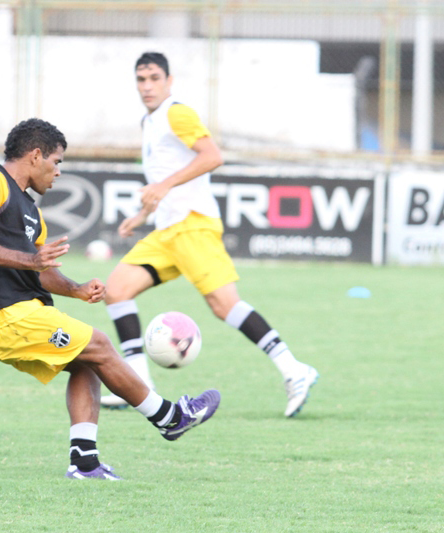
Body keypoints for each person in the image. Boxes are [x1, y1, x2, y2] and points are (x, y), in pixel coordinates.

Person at [0, 118, 220, 480]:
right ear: (35, 156)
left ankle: (85, 463)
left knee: (86, 362)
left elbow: (43, 272)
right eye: (57, 161)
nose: (58, 171)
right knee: (98, 343)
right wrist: (31, 260)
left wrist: (76, 289)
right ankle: (169, 418)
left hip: (18, 312)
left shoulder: (31, 212)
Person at [99, 52, 319, 417]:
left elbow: (212, 156)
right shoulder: (148, 121)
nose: (147, 86)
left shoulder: (176, 113)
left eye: (154, 78)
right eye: (141, 79)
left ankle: (294, 370)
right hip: (166, 230)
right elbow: (164, 176)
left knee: (224, 305)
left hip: (193, 226)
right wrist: (143, 213)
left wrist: (164, 186)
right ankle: (137, 383)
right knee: (116, 291)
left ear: (169, 81)